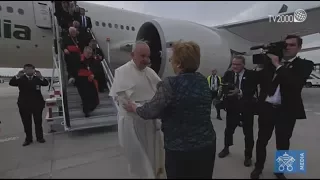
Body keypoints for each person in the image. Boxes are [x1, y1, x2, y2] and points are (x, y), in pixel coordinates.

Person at [123, 40, 216, 179]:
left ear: (179, 63)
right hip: (207, 146)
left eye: (172, 59)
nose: (171, 62)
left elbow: (150, 111)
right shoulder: (203, 81)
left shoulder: (170, 84)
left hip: (180, 150)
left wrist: (135, 107)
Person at [250, 35, 314, 179]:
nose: (287, 48)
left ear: (299, 48)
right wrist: (262, 64)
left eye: (292, 45)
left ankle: (280, 171)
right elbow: (256, 80)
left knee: (283, 142)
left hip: (286, 111)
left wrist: (278, 65)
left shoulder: (305, 64)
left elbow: (295, 84)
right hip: (267, 108)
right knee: (261, 140)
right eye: (285, 45)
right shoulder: (270, 63)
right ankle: (258, 167)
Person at [109, 41, 165, 179]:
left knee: (154, 157)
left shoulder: (150, 72)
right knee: (138, 160)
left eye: (148, 56)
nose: (146, 60)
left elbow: (160, 92)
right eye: (142, 56)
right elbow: (124, 101)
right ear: (132, 55)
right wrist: (143, 108)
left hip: (150, 124)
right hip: (132, 125)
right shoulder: (122, 72)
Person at [218, 55, 257, 167]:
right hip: (232, 108)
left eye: (237, 64)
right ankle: (226, 148)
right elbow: (225, 85)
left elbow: (252, 89)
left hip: (246, 109)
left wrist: (239, 91)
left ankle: (248, 156)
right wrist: (222, 90)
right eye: (233, 64)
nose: (234, 66)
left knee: (248, 134)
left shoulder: (251, 74)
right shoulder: (228, 74)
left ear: (243, 64)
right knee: (228, 131)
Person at [9, 64, 49, 146]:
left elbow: (46, 83)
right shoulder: (20, 79)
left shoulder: (37, 78)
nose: (29, 71)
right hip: (24, 105)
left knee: (38, 122)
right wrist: (17, 75)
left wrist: (41, 76)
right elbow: (11, 83)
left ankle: (40, 137)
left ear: (34, 70)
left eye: (31, 69)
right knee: (26, 123)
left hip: (37, 104)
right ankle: (28, 139)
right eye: (27, 69)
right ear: (24, 70)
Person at [76, 46, 100, 117]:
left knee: (95, 97)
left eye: (91, 53)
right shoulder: (79, 59)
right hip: (81, 81)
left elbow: (97, 69)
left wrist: (93, 74)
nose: (89, 55)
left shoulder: (93, 60)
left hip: (91, 80)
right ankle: (86, 111)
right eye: (88, 53)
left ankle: (90, 108)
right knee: (85, 97)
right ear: (84, 52)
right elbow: (75, 70)